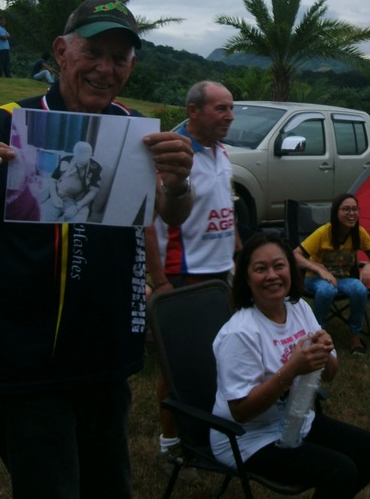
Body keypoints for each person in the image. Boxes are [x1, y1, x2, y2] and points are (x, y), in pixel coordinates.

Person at [0, 0, 195, 499]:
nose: (105, 68)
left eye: (119, 58)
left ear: (131, 66)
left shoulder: (135, 131)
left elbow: (170, 213)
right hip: (31, 361)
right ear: (61, 52)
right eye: (93, 52)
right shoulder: (10, 125)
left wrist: (180, 185)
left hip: (107, 361)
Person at [211, 231, 370, 497]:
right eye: (260, 269)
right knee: (340, 471)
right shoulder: (240, 333)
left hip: (295, 421)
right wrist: (291, 369)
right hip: (246, 438)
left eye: (279, 266)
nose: (272, 275)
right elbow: (241, 412)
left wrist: (325, 352)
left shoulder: (298, 309)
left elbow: (329, 375)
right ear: (247, 279)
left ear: (290, 270)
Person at [146, 80, 241, 470]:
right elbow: (146, 220)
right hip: (185, 274)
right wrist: (160, 280)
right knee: (178, 365)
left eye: (231, 108)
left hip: (221, 274)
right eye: (221, 109)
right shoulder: (172, 154)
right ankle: (169, 443)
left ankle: (202, 435)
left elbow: (224, 206)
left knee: (218, 358)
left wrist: (237, 252)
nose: (230, 116)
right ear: (193, 111)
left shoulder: (221, 151)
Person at [293, 192, 370, 354]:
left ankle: (355, 336)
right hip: (315, 280)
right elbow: (295, 255)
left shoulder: (359, 232)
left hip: (343, 280)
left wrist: (369, 266)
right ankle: (317, 334)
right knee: (327, 290)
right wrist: (319, 269)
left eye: (354, 209)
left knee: (360, 289)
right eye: (346, 209)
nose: (351, 213)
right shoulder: (323, 232)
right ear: (336, 212)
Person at [44, 140, 102, 222]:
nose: (79, 164)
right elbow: (52, 180)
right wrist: (54, 197)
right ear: (74, 153)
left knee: (70, 226)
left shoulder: (95, 168)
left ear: (90, 155)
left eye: (82, 163)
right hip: (58, 197)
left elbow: (93, 191)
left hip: (78, 202)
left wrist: (77, 206)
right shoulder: (65, 160)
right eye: (78, 161)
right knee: (45, 220)